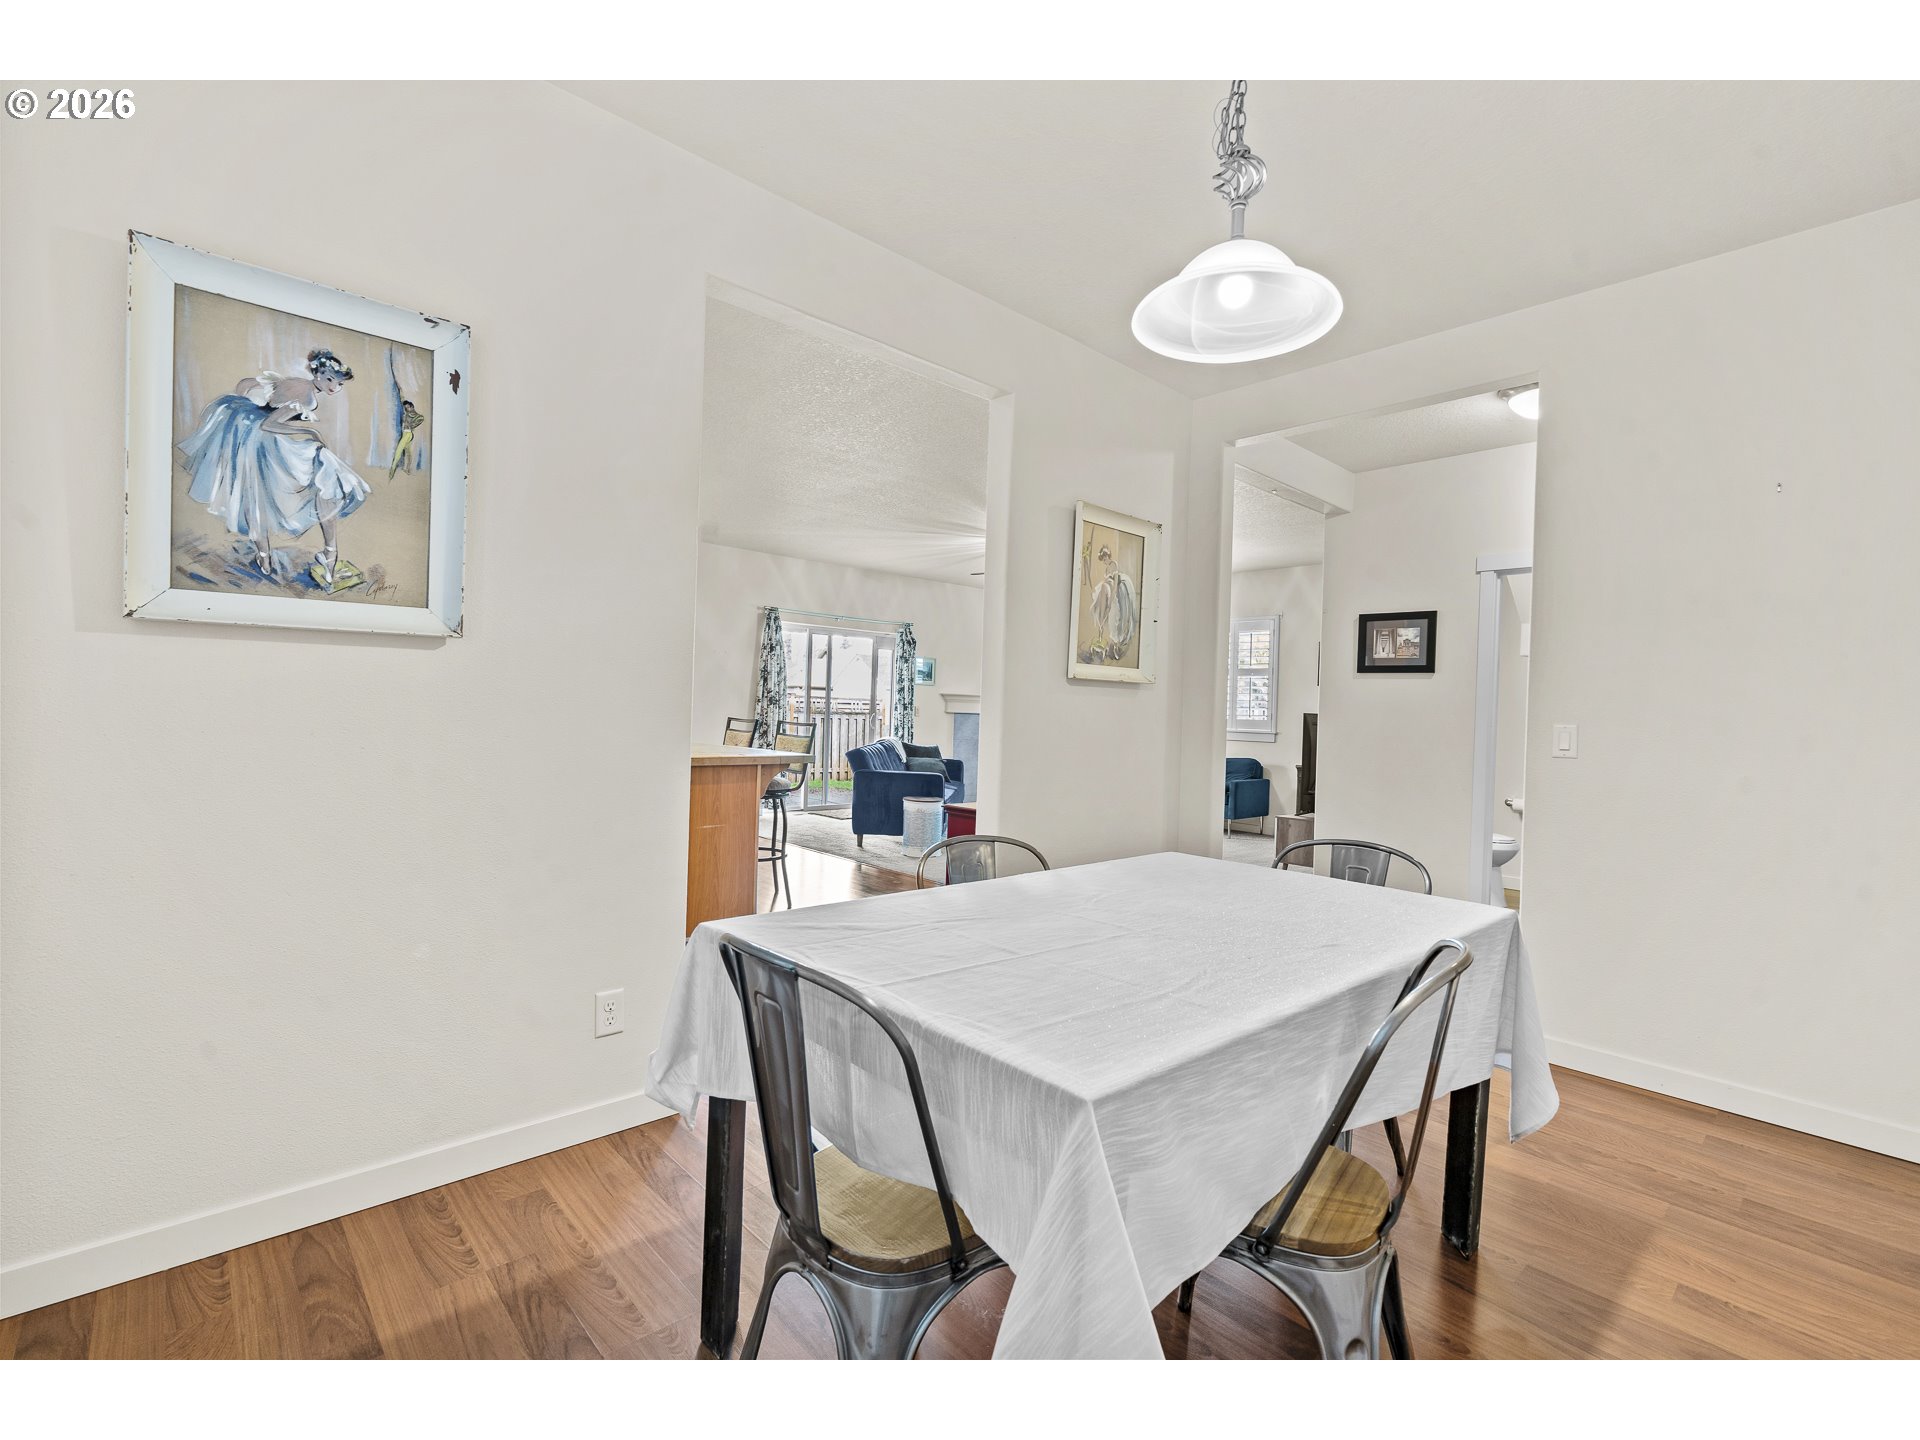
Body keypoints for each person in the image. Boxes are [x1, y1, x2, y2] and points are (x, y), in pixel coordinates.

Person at [176, 347, 370, 589]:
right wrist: (309, 430)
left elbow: (246, 384)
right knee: (263, 492)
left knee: (264, 492)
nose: (334, 387)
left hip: (250, 431)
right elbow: (270, 424)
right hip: (259, 438)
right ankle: (316, 554)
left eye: (339, 383)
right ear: (316, 373)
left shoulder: (301, 384)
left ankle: (273, 556)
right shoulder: (308, 396)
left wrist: (251, 406)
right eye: (329, 379)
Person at [1088, 541, 1139, 661]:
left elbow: (1115, 583)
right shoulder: (1106, 570)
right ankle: (1108, 644)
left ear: (1108, 556)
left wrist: (1111, 600)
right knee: (1110, 619)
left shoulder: (1114, 565)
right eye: (1103, 559)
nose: (1105, 561)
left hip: (1117, 593)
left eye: (1105, 558)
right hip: (1109, 592)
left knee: (1117, 619)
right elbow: (1107, 584)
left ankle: (1114, 646)